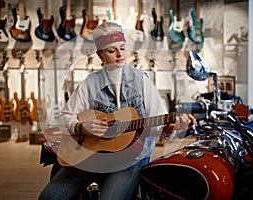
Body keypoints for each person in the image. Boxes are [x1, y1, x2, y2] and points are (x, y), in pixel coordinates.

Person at [39, 22, 194, 200]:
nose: (120, 54)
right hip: (93, 155)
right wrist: (81, 127)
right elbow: (65, 117)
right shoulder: (90, 83)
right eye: (112, 51)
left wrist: (170, 128)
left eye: (122, 48)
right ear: (100, 54)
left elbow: (157, 125)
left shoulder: (142, 81)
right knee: (49, 197)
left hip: (131, 158)